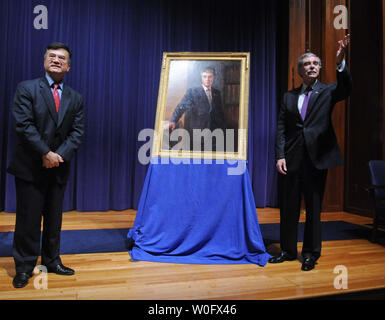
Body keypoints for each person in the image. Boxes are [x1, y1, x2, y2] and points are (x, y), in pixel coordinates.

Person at [269, 35, 352, 271]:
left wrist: (341, 61)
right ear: (299, 70)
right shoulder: (288, 96)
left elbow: (346, 88)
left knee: (314, 209)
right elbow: (281, 128)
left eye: (316, 63)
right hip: (291, 159)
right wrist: (279, 155)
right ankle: (287, 250)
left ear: (320, 68)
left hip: (317, 160)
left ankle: (310, 254)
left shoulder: (328, 91)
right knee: (289, 208)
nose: (312, 66)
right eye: (307, 64)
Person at [7, 42, 84, 288]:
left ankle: (52, 260)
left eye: (62, 58)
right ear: (44, 62)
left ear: (68, 66)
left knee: (54, 220)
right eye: (52, 56)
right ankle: (24, 267)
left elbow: (77, 133)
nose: (56, 60)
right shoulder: (27, 88)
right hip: (30, 167)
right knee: (28, 221)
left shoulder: (76, 97)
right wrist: (45, 153)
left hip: (58, 168)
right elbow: (23, 125)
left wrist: (57, 156)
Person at [164, 67, 226, 151]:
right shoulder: (192, 92)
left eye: (210, 76)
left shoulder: (217, 93)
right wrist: (173, 121)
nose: (207, 79)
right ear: (201, 77)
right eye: (205, 76)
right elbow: (181, 107)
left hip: (214, 135)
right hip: (197, 135)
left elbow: (220, 113)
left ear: (213, 77)